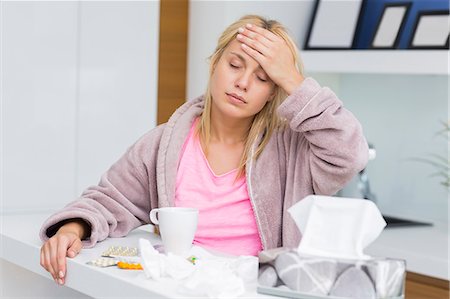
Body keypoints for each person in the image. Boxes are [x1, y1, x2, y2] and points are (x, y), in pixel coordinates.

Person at [40, 15, 368, 285]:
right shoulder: (164, 144)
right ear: (214, 65)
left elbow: (349, 154)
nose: (242, 83)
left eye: (264, 77)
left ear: (274, 92)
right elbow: (111, 199)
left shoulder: (294, 151)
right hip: (177, 290)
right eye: (235, 65)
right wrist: (73, 227)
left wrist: (294, 80)